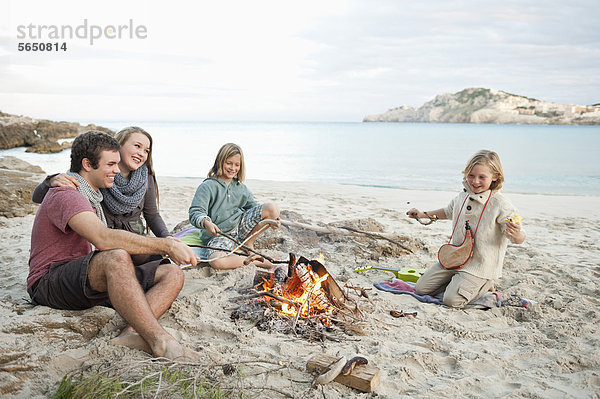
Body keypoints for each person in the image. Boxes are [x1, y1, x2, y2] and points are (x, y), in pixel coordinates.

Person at [28, 130, 200, 360]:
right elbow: (103, 237)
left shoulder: (97, 194)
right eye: (110, 164)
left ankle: (131, 333)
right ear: (87, 164)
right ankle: (161, 343)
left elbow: (150, 215)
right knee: (116, 256)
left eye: (117, 164)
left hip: (85, 275)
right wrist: (166, 245)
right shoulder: (67, 193)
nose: (117, 171)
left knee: (172, 273)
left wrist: (167, 242)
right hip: (50, 281)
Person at [406, 150, 526, 308]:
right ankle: (458, 283)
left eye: (482, 177)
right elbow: (448, 211)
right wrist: (422, 214)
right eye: (471, 175)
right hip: (455, 257)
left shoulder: (500, 204)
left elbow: (519, 237)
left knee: (451, 300)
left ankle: (484, 285)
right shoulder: (462, 196)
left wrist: (517, 234)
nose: (475, 181)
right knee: (421, 289)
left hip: (479, 265)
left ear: (495, 176)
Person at [32, 126, 169, 237]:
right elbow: (39, 197)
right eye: (137, 146)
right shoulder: (99, 173)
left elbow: (152, 214)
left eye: (146, 151)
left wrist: (167, 237)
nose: (142, 153)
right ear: (118, 145)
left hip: (135, 237)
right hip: (105, 236)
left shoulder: (145, 177)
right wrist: (50, 181)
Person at [188, 143, 280, 270]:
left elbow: (254, 208)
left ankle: (248, 243)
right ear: (220, 162)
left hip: (241, 230)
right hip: (219, 235)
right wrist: (206, 222)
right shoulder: (207, 186)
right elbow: (195, 212)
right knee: (217, 262)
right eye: (229, 163)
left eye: (237, 165)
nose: (233, 168)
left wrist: (272, 220)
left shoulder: (241, 188)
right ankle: (257, 262)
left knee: (272, 209)